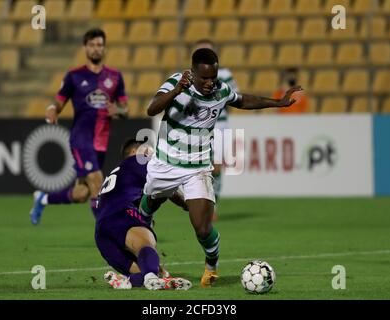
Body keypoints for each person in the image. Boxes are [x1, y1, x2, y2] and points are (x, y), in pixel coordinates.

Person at [139, 48, 302, 288]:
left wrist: (278, 102)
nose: (209, 82)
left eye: (213, 77)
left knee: (202, 226)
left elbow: (243, 100)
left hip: (198, 167)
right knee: (146, 209)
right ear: (192, 72)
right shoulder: (176, 82)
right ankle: (140, 243)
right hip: (165, 163)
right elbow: (152, 109)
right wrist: (177, 91)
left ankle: (211, 265)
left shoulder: (220, 90)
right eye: (204, 77)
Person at [29, 28, 128, 225]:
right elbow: (59, 102)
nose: (96, 49)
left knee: (82, 193)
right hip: (81, 138)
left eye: (99, 45)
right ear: (85, 48)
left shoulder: (115, 77)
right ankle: (108, 232)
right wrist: (52, 109)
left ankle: (43, 198)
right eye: (92, 45)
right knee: (97, 179)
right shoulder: (74, 76)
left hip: (101, 142)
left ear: (104, 49)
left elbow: (126, 110)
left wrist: (116, 109)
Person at [96, 139, 192, 290]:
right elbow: (166, 187)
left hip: (101, 235)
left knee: (146, 272)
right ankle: (152, 278)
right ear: (134, 153)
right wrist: (188, 204)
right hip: (121, 216)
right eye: (147, 149)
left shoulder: (119, 172)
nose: (151, 153)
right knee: (146, 246)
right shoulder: (138, 161)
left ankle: (126, 281)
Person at [192, 39, 240, 221]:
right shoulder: (190, 76)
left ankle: (213, 205)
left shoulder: (225, 74)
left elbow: (235, 97)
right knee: (202, 167)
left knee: (217, 166)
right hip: (198, 125)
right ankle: (204, 204)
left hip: (219, 123)